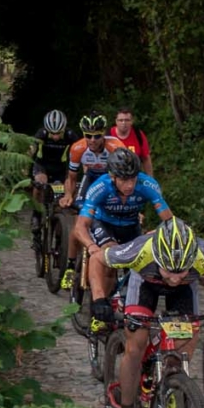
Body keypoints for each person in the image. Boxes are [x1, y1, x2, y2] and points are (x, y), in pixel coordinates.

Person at [101, 218, 204, 408]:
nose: (175, 277)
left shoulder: (202, 253)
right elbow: (98, 258)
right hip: (144, 286)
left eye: (182, 271)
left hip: (184, 294)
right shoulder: (141, 249)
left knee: (181, 347)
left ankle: (169, 381)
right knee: (136, 346)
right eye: (169, 270)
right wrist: (98, 298)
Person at [74, 147, 174, 333]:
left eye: (133, 179)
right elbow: (80, 226)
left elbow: (169, 221)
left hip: (130, 224)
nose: (129, 185)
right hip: (104, 223)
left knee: (140, 262)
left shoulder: (148, 185)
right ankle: (99, 306)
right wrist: (91, 246)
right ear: (113, 177)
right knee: (111, 256)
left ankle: (130, 303)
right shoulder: (100, 187)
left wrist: (159, 232)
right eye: (124, 180)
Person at [58, 114, 127, 290]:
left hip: (111, 180)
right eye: (88, 135)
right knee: (78, 223)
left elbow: (126, 177)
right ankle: (71, 267)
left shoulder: (116, 147)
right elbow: (72, 178)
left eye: (97, 136)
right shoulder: (78, 148)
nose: (92, 140)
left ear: (104, 134)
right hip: (90, 179)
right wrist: (68, 195)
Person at [31, 109, 74, 215]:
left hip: (60, 166)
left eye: (58, 133)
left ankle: (57, 214)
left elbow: (80, 151)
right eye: (52, 133)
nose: (55, 137)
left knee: (68, 187)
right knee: (40, 184)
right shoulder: (42, 133)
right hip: (42, 165)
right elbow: (31, 148)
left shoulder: (70, 135)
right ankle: (36, 214)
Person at [111, 108, 153, 176]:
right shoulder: (108, 135)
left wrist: (150, 178)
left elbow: (146, 158)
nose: (124, 123)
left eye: (127, 120)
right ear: (116, 121)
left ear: (131, 121)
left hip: (134, 174)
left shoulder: (138, 135)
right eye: (120, 120)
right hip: (113, 175)